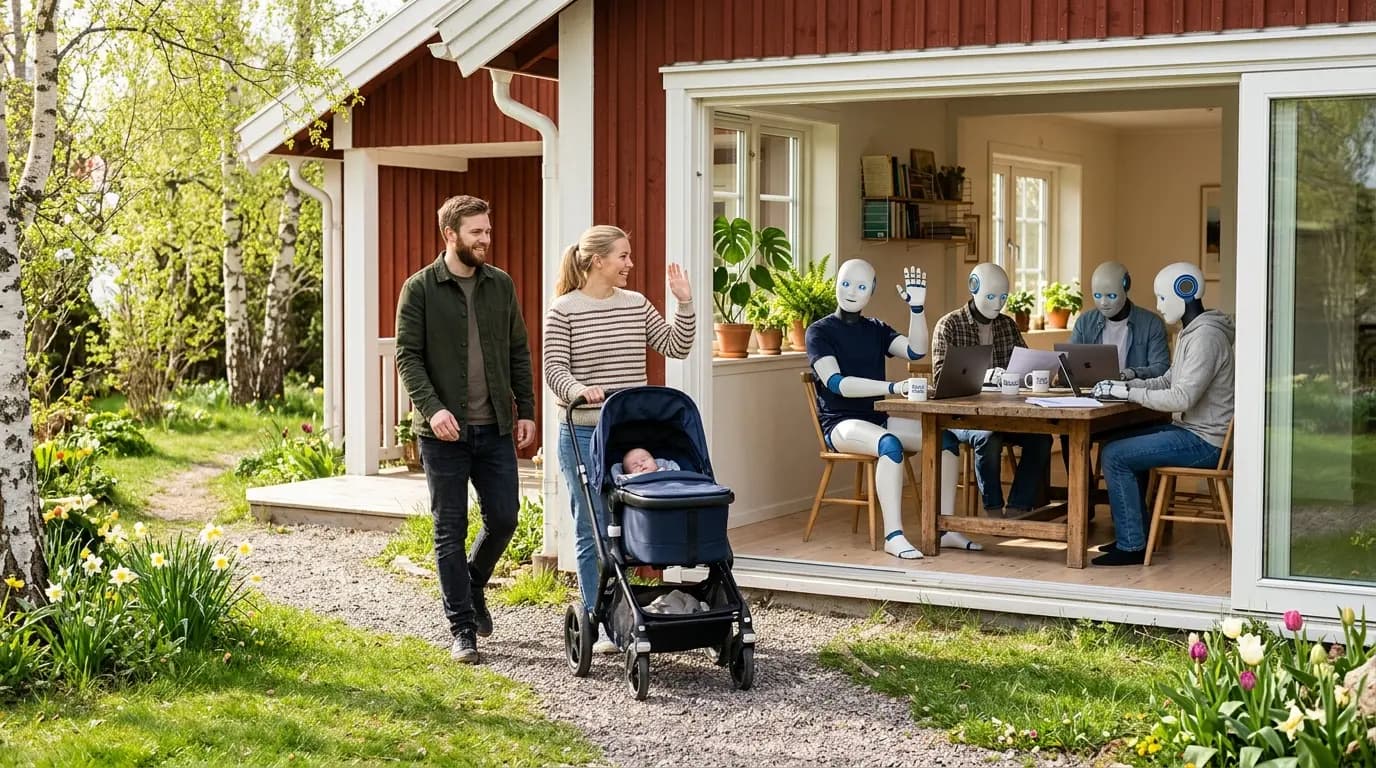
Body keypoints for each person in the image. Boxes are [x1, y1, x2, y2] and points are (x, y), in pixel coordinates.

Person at [395, 195, 537, 664]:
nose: (485, 240)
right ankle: (461, 628)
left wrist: (526, 409)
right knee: (448, 529)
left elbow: (518, 349)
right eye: (476, 232)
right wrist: (432, 409)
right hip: (443, 434)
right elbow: (407, 358)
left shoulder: (501, 286)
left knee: (505, 518)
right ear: (450, 235)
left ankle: (473, 582)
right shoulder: (419, 289)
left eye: (488, 231)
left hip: (494, 424)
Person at [544, 225, 695, 653]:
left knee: (629, 520)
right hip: (583, 430)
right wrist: (578, 390)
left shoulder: (635, 305)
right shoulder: (564, 309)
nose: (630, 264)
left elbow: (676, 346)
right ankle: (596, 615)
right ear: (597, 261)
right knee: (591, 525)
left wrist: (684, 301)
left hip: (625, 435)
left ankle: (625, 611)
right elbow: (555, 369)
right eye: (623, 256)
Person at [806, 260, 974, 560]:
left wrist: (917, 309)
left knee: (945, 441)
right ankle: (893, 535)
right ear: (835, 284)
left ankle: (945, 528)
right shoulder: (819, 332)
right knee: (889, 445)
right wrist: (893, 388)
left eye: (860, 286)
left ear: (872, 291)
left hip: (877, 418)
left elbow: (915, 350)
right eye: (845, 283)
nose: (852, 292)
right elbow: (837, 383)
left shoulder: (876, 329)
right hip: (841, 425)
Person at [1090, 262, 1234, 566]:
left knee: (1116, 455)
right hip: (1192, 432)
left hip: (1206, 442)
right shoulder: (1191, 332)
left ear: (1186, 291)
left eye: (1163, 297)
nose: (1157, 305)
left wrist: (1128, 394)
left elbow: (1182, 396)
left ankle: (1132, 546)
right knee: (1115, 442)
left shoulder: (1205, 337)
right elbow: (1169, 379)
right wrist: (1126, 382)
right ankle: (1135, 535)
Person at [931, 263, 1052, 519]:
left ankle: (1019, 506)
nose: (998, 304)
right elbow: (942, 379)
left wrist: (1034, 372)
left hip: (1004, 413)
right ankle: (994, 509)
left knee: (1042, 438)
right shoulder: (949, 325)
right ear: (973, 288)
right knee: (988, 436)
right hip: (960, 417)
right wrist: (986, 376)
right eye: (991, 296)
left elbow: (1026, 362)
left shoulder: (1007, 325)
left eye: (1003, 298)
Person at [1070, 261, 1170, 381]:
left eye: (1111, 296)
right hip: (1093, 393)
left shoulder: (1152, 324)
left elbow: (1161, 368)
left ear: (1126, 286)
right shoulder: (1084, 323)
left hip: (1133, 395)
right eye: (1097, 296)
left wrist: (1131, 373)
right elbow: (1071, 362)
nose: (1103, 303)